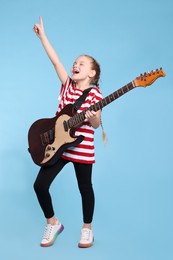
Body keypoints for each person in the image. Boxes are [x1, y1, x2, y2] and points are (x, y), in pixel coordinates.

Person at [33, 16, 103, 248]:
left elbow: (95, 124)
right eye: (75, 62)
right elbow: (55, 62)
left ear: (92, 74)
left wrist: (93, 118)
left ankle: (87, 229)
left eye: (82, 63)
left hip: (81, 148)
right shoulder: (66, 86)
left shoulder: (95, 96)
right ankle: (53, 222)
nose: (76, 65)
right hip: (58, 147)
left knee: (85, 189)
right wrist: (43, 37)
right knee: (39, 186)